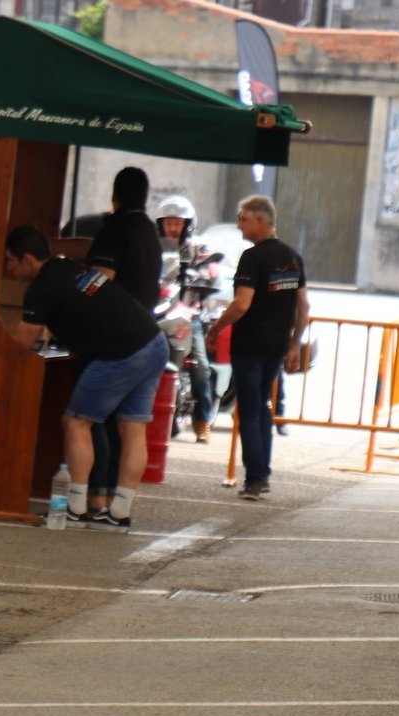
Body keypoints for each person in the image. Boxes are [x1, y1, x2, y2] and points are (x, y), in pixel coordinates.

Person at [4, 225, 168, 532]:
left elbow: (23, 342)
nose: (9, 269)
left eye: (11, 261)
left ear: (27, 259)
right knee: (133, 428)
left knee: (76, 423)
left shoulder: (41, 289)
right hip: (153, 342)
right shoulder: (70, 268)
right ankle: (118, 514)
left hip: (121, 352)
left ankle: (75, 509)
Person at [205, 196, 309, 501]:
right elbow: (304, 306)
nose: (239, 225)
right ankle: (262, 474)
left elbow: (241, 304)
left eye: (244, 219)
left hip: (250, 345)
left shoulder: (252, 258)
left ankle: (255, 479)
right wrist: (294, 344)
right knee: (262, 405)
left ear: (260, 221)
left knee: (249, 410)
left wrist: (216, 327)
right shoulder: (292, 257)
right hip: (276, 345)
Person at [82, 167, 162, 515]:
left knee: (87, 419)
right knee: (130, 428)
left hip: (112, 337)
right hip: (147, 337)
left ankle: (95, 498)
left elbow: (99, 281)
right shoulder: (149, 230)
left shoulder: (114, 230)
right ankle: (119, 507)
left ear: (115, 195)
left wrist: (74, 288)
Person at [155, 194, 216, 443]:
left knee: (200, 365)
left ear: (187, 224)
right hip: (158, 309)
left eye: (177, 223)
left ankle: (202, 420)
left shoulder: (198, 247)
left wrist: (196, 276)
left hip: (188, 313)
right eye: (168, 222)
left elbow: (211, 272)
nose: (172, 227)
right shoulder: (154, 246)